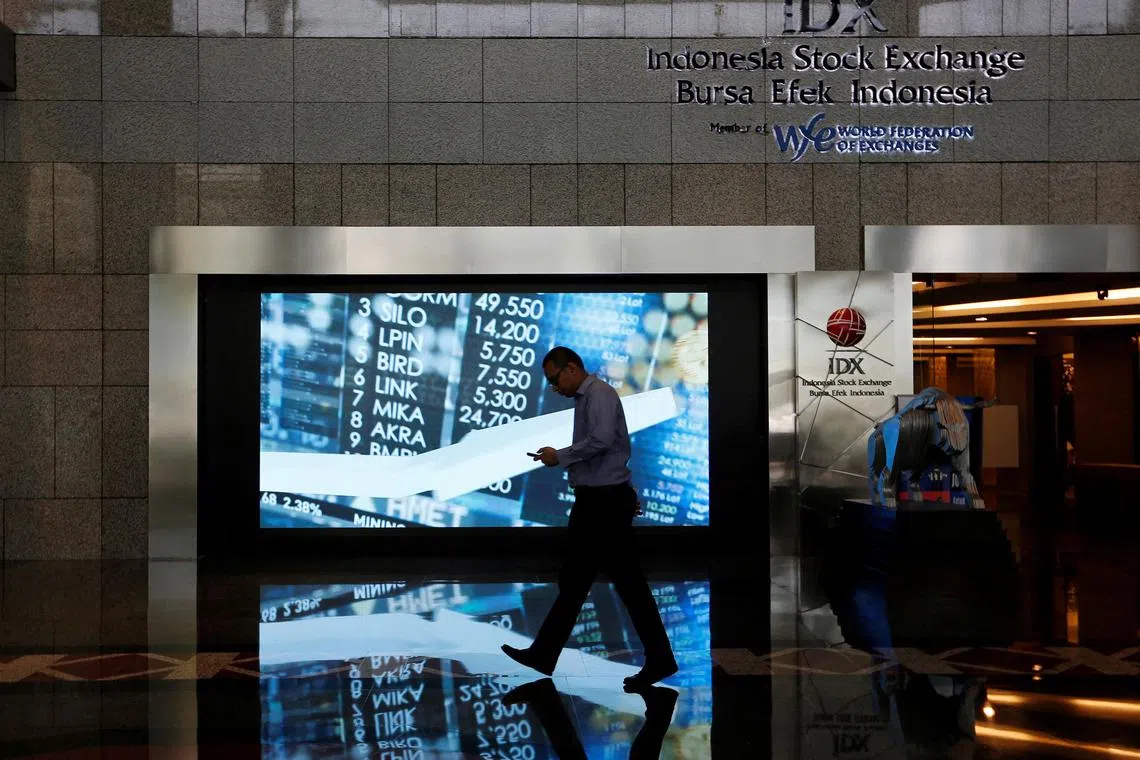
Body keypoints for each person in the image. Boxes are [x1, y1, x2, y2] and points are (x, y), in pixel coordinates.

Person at [501, 346, 678, 689]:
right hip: (602, 501)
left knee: (612, 582)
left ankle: (659, 658)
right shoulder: (589, 398)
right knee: (582, 579)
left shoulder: (599, 396)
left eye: (555, 379)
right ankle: (545, 652)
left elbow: (600, 442)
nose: (555, 387)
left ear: (571, 369)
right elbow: (613, 451)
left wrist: (560, 456)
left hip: (603, 505)